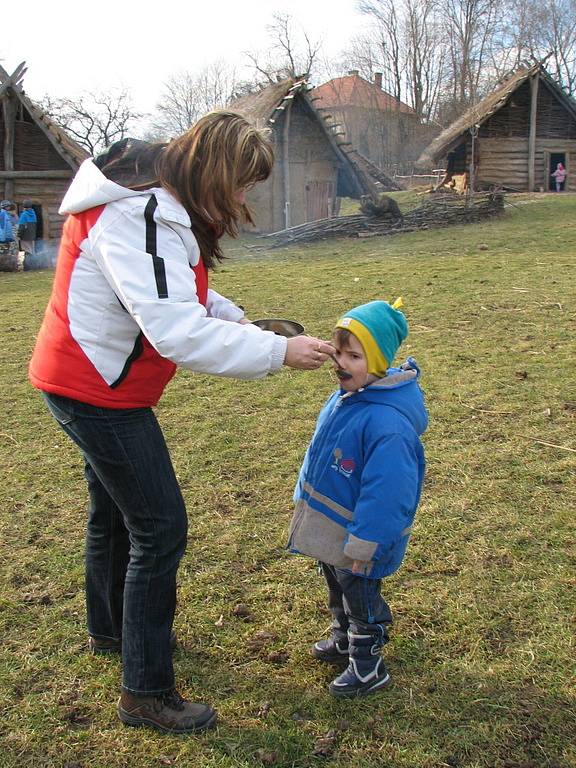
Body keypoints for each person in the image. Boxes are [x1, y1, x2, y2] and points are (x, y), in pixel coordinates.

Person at [28, 111, 335, 734]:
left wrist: (246, 324)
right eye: (243, 184)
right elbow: (176, 332)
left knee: (113, 513)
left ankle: (112, 633)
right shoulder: (134, 215)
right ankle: (145, 692)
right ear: (216, 174)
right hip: (96, 391)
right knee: (159, 528)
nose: (245, 198)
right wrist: (279, 353)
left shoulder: (154, 206)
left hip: (87, 380)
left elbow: (179, 292)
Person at [288, 299, 428, 698]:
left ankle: (368, 666)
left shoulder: (388, 425)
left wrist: (366, 543)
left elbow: (389, 496)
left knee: (360, 595)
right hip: (332, 525)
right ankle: (343, 638)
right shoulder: (345, 398)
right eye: (339, 351)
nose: (341, 363)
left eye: (355, 355)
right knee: (335, 582)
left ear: (380, 361)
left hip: (360, 536)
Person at [17, 200, 38, 269]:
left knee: (27, 251)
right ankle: (33, 265)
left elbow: (21, 226)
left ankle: (27, 267)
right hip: (32, 236)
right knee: (31, 251)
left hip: (25, 237)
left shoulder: (24, 214)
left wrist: (19, 235)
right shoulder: (33, 214)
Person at [0, 199, 18, 272]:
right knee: (4, 253)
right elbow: (3, 227)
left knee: (6, 252)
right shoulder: (3, 214)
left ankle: (7, 268)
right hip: (4, 237)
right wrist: (2, 238)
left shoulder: (7, 214)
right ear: (5, 207)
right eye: (8, 206)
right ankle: (5, 268)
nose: (9, 208)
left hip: (7, 237)